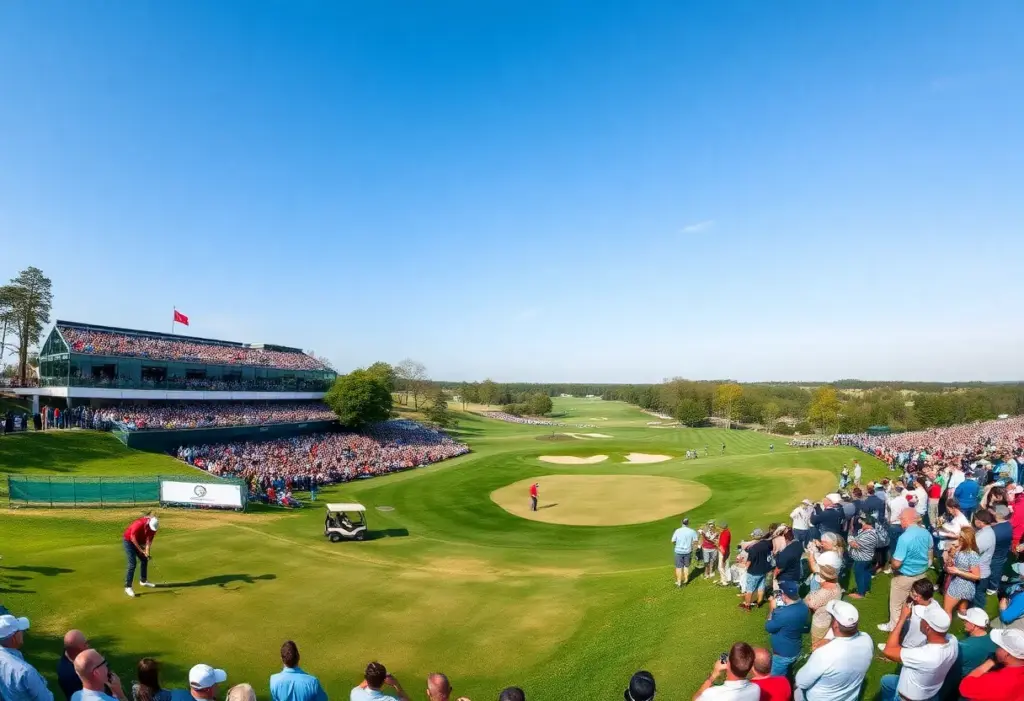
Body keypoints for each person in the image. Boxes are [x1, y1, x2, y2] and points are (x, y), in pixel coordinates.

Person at [793, 600, 873, 701]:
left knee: (797, 690)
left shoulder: (824, 653)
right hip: (849, 697)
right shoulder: (867, 639)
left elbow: (801, 681)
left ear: (835, 624)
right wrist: (829, 639)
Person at [879, 603, 958, 701]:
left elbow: (888, 650)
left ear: (927, 628)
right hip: (932, 693)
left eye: (922, 619)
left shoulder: (923, 655)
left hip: (907, 698)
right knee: (886, 681)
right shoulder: (953, 641)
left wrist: (902, 619)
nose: (920, 621)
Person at [880, 508, 932, 634]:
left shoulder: (904, 537)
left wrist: (892, 565)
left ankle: (895, 629)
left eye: (901, 519)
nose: (901, 522)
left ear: (907, 520)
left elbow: (897, 563)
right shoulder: (926, 533)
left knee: (896, 604)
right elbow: (930, 551)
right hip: (922, 574)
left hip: (904, 576)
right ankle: (914, 627)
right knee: (914, 602)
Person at [942, 608, 998, 700]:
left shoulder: (963, 647)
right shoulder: (994, 640)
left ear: (973, 625)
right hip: (983, 685)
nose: (963, 622)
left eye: (965, 621)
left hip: (963, 686)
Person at [958, 628, 1024, 700]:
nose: (996, 649)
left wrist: (989, 663)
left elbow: (965, 687)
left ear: (1006, 654)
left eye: (999, 646)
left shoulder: (996, 682)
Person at [0, 614, 54, 701]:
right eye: (20, 631)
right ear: (14, 638)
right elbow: (46, 699)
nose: (23, 633)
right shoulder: (26, 672)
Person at [764, 580, 809, 676]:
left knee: (775, 679)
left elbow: (768, 627)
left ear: (784, 595)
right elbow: (806, 627)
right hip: (796, 648)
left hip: (782, 654)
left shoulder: (782, 614)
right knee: (788, 675)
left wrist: (772, 609)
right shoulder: (804, 607)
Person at [691, 642, 759, 701]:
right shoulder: (755, 689)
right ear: (751, 667)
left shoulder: (712, 694)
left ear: (728, 664)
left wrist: (713, 675)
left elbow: (696, 699)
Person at [942, 526, 982, 618]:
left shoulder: (972, 554)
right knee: (962, 608)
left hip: (959, 585)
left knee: (947, 610)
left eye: (960, 536)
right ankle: (964, 620)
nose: (958, 537)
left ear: (965, 539)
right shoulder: (959, 549)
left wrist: (957, 571)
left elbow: (977, 576)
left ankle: (943, 629)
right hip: (966, 586)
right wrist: (950, 557)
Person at [802, 565, 842, 648]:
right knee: (826, 638)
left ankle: (816, 654)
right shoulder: (837, 585)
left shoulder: (823, 594)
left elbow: (809, 603)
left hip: (821, 622)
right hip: (831, 617)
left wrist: (808, 597)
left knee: (817, 643)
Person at [123, 515, 158, 597]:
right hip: (128, 541)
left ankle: (143, 581)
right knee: (132, 564)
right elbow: (132, 538)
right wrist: (141, 550)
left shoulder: (153, 528)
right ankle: (128, 587)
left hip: (138, 541)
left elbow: (148, 541)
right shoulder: (139, 523)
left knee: (144, 559)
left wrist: (147, 552)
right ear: (148, 523)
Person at [741, 529, 773, 611]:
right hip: (763, 570)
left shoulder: (753, 548)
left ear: (754, 536)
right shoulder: (767, 544)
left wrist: (745, 568)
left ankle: (747, 605)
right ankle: (759, 603)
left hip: (753, 572)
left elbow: (749, 561)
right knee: (761, 587)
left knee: (749, 589)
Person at [848, 513, 878, 598]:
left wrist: (850, 536)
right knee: (866, 573)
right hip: (865, 558)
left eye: (863, 522)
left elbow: (854, 544)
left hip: (862, 559)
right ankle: (866, 589)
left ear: (867, 523)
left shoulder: (869, 535)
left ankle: (860, 593)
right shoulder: (868, 532)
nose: (861, 524)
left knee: (859, 575)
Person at [971, 511, 996, 609]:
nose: (974, 521)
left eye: (975, 519)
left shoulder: (986, 535)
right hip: (979, 570)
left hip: (981, 573)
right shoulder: (984, 531)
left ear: (980, 521)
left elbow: (973, 550)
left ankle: (980, 619)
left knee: (978, 599)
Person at [989, 505, 1014, 596]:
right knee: (997, 570)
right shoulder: (1008, 525)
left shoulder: (995, 530)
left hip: (995, 554)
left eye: (994, 511)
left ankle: (992, 588)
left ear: (998, 515)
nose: (993, 513)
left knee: (994, 571)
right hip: (1003, 553)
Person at [58, 631, 89, 701]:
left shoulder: (69, 652)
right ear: (77, 651)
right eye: (85, 644)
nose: (88, 646)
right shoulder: (71, 675)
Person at [672, 518, 699, 588]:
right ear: (688, 523)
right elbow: (695, 541)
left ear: (682, 522)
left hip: (678, 551)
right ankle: (686, 581)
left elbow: (673, 541)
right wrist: (691, 545)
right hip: (688, 551)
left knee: (678, 567)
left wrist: (677, 545)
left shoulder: (677, 531)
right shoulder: (692, 531)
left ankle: (679, 583)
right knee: (686, 566)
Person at [997, 563, 1024, 631]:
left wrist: (1002, 607)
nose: (1019, 575)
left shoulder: (1022, 598)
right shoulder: (1020, 585)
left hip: (1013, 629)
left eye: (1020, 574)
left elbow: (1006, 618)